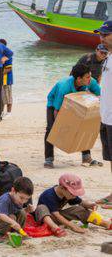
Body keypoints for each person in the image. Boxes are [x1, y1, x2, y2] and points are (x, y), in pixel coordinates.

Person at [44, 63, 102, 168]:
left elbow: (99, 94)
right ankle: (49, 159)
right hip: (54, 105)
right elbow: (57, 110)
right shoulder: (64, 86)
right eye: (87, 77)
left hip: (76, 102)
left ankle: (86, 157)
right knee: (51, 129)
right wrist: (61, 127)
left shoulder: (90, 81)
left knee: (84, 125)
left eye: (90, 76)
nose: (90, 79)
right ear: (79, 79)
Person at [34, 173, 112, 235]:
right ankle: (55, 228)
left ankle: (105, 223)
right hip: (45, 219)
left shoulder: (68, 195)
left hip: (58, 217)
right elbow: (57, 215)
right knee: (42, 207)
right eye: (72, 193)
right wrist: (73, 226)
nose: (74, 195)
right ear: (61, 188)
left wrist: (89, 205)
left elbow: (81, 202)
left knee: (80, 209)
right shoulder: (49, 195)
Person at [95, 21, 112, 211]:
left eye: (105, 35)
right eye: (100, 35)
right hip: (106, 116)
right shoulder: (108, 57)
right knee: (110, 158)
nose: (101, 38)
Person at [0, 177, 34, 243]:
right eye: (21, 198)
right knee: (12, 217)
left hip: (8, 219)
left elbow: (17, 211)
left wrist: (27, 210)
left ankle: (17, 233)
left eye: (27, 199)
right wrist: (13, 222)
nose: (23, 201)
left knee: (22, 212)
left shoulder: (18, 200)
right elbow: (1, 214)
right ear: (13, 191)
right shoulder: (6, 199)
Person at [0, 38, 14, 116]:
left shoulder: (8, 55)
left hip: (6, 79)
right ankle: (1, 112)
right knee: (1, 96)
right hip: (0, 79)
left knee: (8, 96)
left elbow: (9, 68)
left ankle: (9, 112)